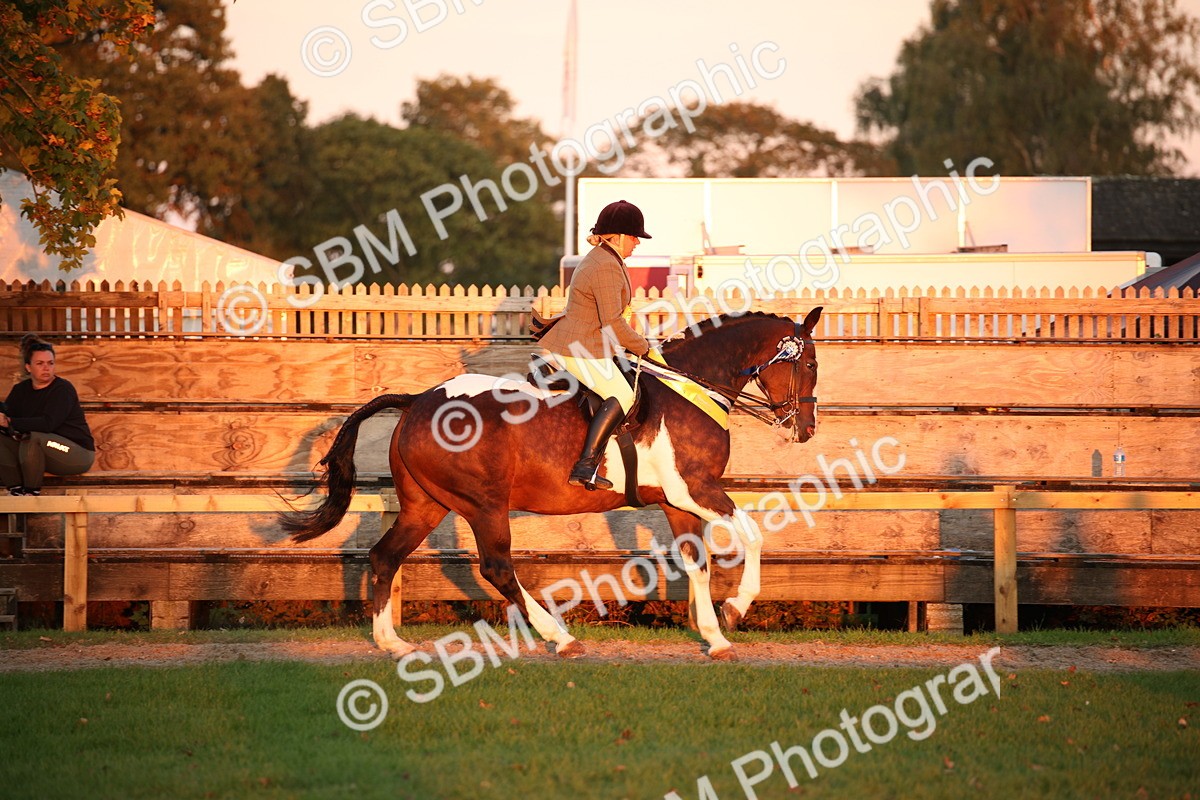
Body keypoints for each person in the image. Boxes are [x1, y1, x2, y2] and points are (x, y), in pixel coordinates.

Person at [539, 200, 665, 489]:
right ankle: (585, 466)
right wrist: (644, 348)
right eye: (634, 237)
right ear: (618, 236)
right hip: (580, 346)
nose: (637, 243)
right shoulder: (605, 266)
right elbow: (613, 322)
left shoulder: (606, 259)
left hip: (591, 342)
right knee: (623, 395)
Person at [0, 335, 95, 495]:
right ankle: (15, 489)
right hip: (43, 453)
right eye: (40, 363)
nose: (46, 368)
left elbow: (47, 424)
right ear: (28, 367)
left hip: (74, 453)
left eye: (50, 363)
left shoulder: (62, 389)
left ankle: (31, 492)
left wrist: (9, 421)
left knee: (33, 438)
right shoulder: (20, 390)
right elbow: (7, 417)